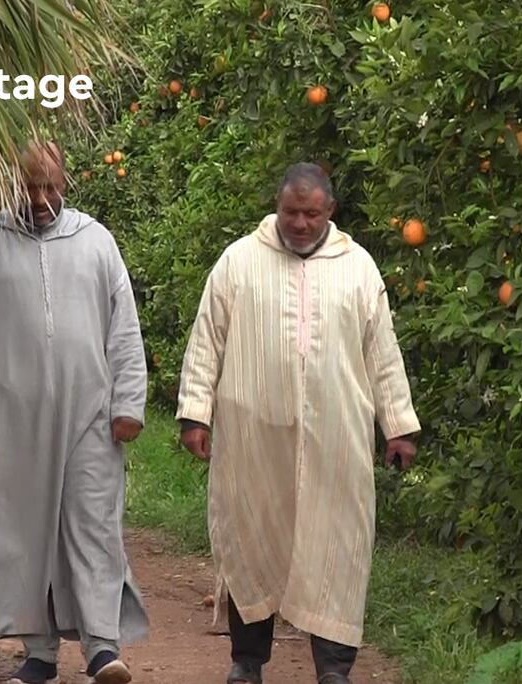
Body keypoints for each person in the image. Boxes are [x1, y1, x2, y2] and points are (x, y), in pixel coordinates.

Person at [175, 162, 421, 684]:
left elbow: (383, 353)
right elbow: (207, 341)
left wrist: (397, 425)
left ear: (330, 211)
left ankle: (334, 671)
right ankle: (246, 664)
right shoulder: (239, 262)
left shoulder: (358, 268)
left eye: (311, 213)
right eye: (291, 212)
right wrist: (195, 414)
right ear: (277, 206)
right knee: (251, 543)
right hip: (253, 441)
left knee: (337, 550)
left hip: (337, 442)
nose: (301, 223)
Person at [0, 140, 149, 684]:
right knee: (26, 533)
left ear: (65, 182)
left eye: (50, 186)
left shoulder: (96, 241)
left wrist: (128, 404)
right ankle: (39, 656)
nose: (40, 198)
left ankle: (102, 647)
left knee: (93, 525)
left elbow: (123, 329)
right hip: (14, 425)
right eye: (29, 187)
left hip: (91, 419)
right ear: (12, 185)